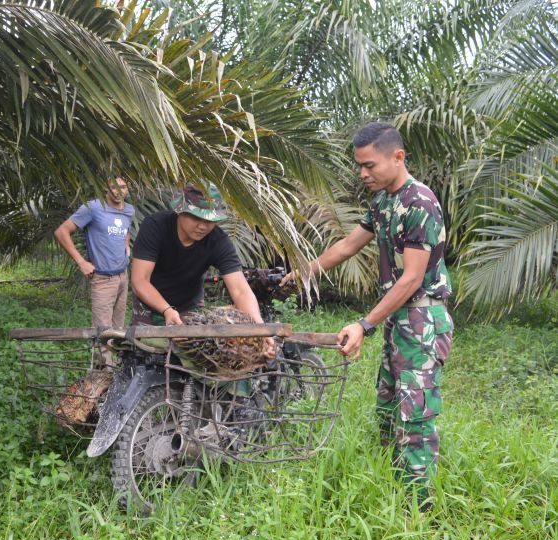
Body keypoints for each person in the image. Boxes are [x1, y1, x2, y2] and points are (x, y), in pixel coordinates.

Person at [283, 121, 453, 511]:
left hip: (422, 320)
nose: (362, 173)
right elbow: (345, 246)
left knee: (415, 414)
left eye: (369, 165)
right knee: (388, 405)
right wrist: (304, 272)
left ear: (398, 157)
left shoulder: (420, 204)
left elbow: (411, 279)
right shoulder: (382, 203)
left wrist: (364, 324)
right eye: (359, 165)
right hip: (398, 319)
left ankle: (417, 508)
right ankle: (391, 485)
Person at [130, 182, 272, 348]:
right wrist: (167, 310)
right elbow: (140, 280)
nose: (203, 226)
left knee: (192, 360)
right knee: (143, 355)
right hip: (150, 306)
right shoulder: (155, 226)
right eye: (197, 218)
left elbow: (240, 290)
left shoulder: (218, 241)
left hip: (190, 307)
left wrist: (260, 330)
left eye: (210, 220)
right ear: (180, 211)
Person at [54, 176, 134, 367]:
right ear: (105, 188)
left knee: (118, 328)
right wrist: (81, 262)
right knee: (103, 331)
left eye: (122, 187)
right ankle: (102, 374)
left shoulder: (129, 210)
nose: (118, 191)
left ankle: (118, 370)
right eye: (113, 187)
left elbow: (125, 231)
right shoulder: (93, 208)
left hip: (122, 276)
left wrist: (126, 249)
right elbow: (61, 232)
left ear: (127, 189)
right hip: (103, 278)